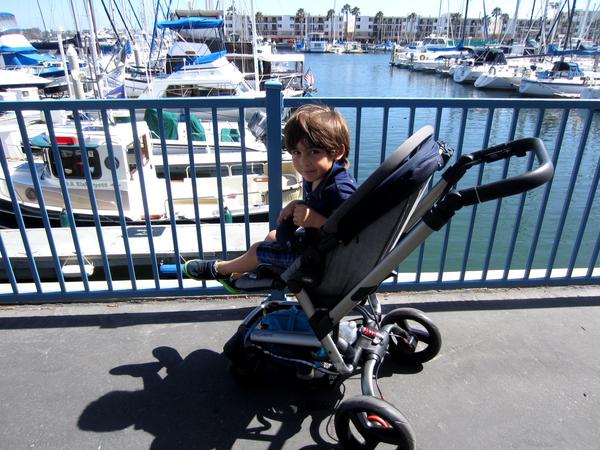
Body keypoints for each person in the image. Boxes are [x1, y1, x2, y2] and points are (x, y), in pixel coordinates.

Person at [184, 104, 357, 292]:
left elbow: (354, 232)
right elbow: (325, 208)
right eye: (296, 153)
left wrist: (315, 221)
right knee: (272, 236)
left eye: (314, 152)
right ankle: (238, 276)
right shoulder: (320, 177)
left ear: (337, 151)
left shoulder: (340, 189)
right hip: (318, 248)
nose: (303, 162)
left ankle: (220, 270)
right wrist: (298, 204)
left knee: (258, 250)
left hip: (322, 262)